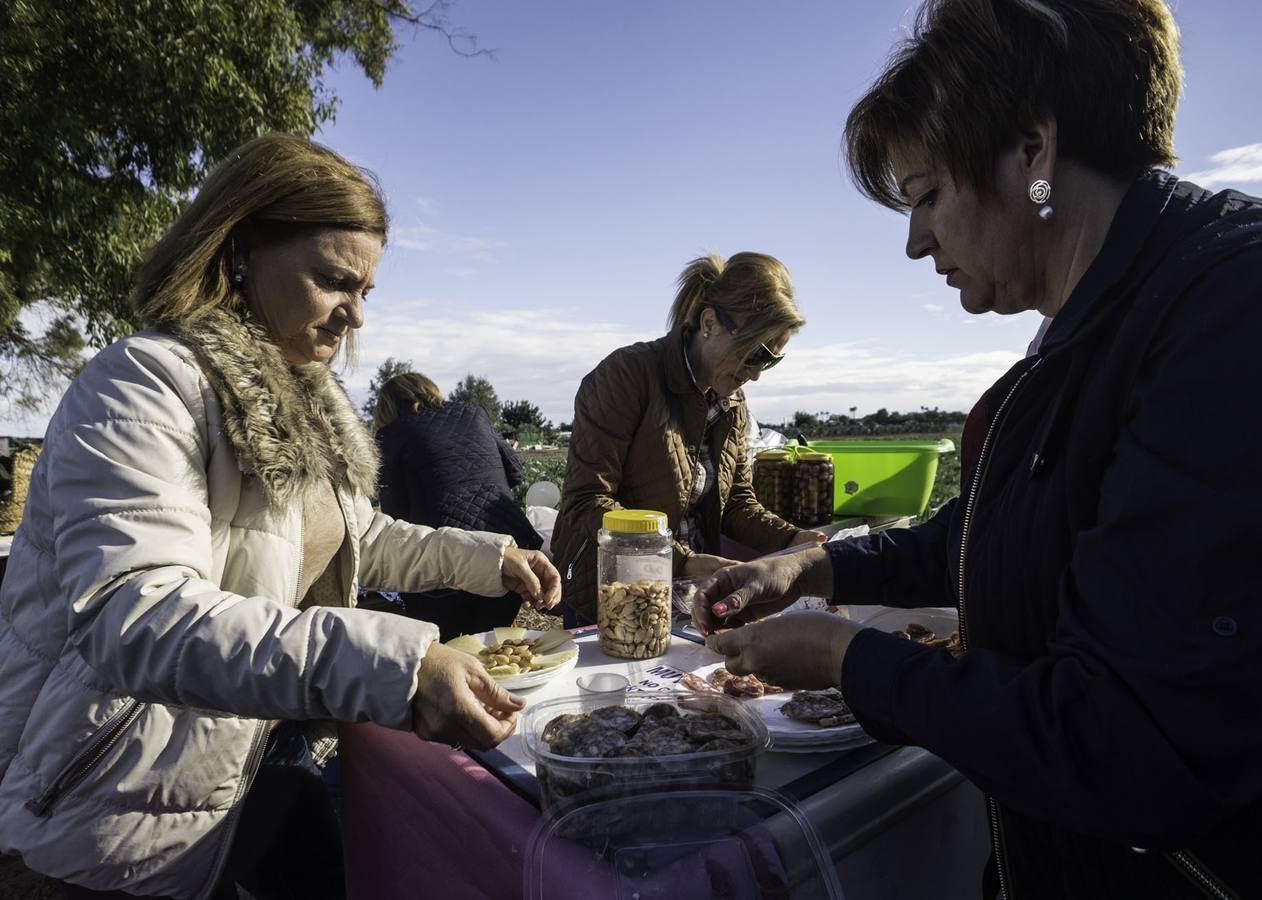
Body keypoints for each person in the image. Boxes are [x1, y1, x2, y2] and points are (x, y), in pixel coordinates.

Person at [695, 2, 1262, 898]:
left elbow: (1131, 744)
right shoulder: (1092, 331)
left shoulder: (1261, 317)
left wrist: (847, 660)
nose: (915, 240)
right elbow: (998, 531)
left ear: (1033, 153)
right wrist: (813, 574)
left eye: (927, 195)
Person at [0, 134, 560, 899]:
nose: (353, 317)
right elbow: (137, 617)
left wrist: (489, 558)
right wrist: (399, 667)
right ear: (239, 250)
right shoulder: (143, 387)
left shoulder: (306, 401)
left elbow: (358, 539)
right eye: (334, 281)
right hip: (110, 809)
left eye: (365, 292)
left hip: (248, 768)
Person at [553, 252, 825, 625]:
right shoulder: (625, 378)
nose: (756, 374)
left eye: (770, 360)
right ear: (709, 323)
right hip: (609, 589)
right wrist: (681, 559)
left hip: (682, 592)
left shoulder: (731, 400)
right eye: (753, 354)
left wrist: (792, 540)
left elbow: (736, 504)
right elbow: (586, 502)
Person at [374, 372, 545, 639]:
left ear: (386, 405)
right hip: (505, 544)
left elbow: (394, 516)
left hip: (443, 565)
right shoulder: (473, 413)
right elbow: (516, 472)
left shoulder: (390, 434)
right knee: (495, 645)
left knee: (447, 648)